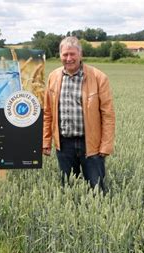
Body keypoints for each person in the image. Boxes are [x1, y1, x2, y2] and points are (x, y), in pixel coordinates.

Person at [43, 36, 115, 192]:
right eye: (65, 54)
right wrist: (46, 141)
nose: (69, 58)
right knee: (68, 190)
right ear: (60, 55)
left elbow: (108, 115)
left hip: (91, 145)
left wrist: (106, 145)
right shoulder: (53, 77)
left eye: (72, 54)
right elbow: (48, 112)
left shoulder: (98, 77)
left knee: (97, 191)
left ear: (80, 55)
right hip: (64, 145)